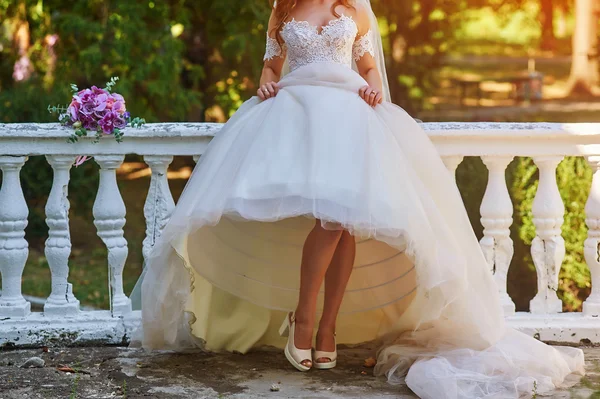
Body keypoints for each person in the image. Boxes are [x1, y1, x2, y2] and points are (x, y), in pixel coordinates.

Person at [132, 0, 585, 397]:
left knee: (342, 220)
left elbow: (367, 65)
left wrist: (374, 87)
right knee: (333, 220)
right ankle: (309, 322)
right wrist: (266, 83)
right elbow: (271, 66)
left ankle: (318, 323)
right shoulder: (282, 9)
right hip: (296, 117)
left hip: (349, 115)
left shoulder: (353, 10)